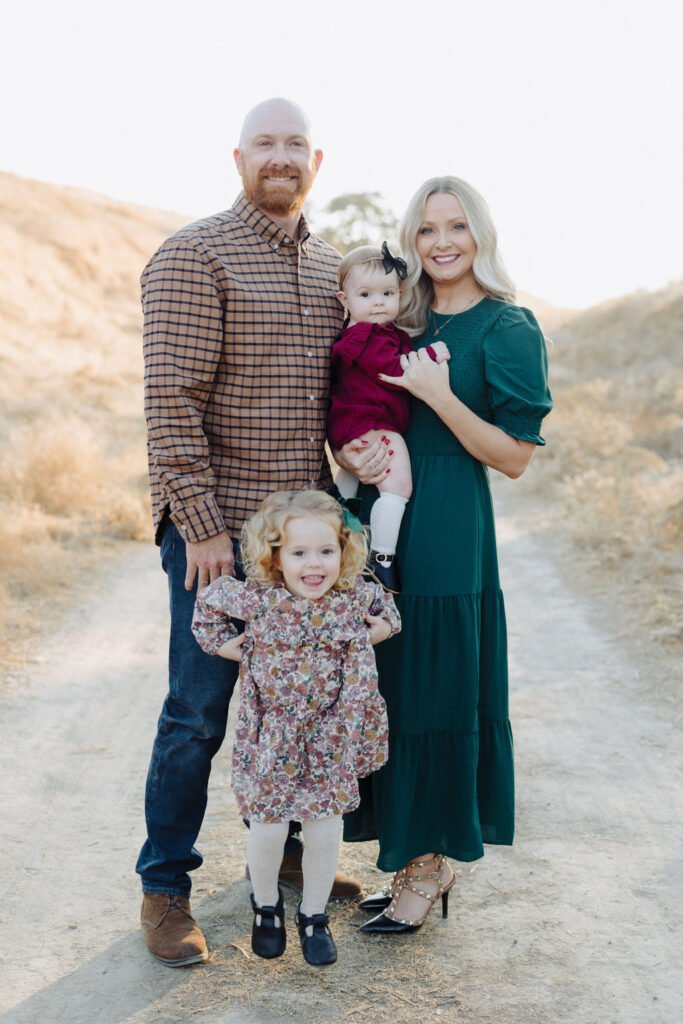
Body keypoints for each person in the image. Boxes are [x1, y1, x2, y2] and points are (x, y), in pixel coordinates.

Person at [137, 98, 379, 967]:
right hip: (219, 536)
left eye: (294, 145)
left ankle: (278, 858)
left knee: (297, 710)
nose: (280, 157)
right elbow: (170, 403)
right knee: (198, 714)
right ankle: (165, 888)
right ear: (237, 156)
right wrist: (201, 527)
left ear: (317, 160)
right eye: (264, 144)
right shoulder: (195, 255)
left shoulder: (329, 270)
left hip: (304, 549)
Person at [336, 176, 553, 933]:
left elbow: (516, 457)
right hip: (378, 526)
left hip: (450, 534)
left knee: (435, 693)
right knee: (387, 690)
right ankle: (401, 854)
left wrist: (438, 394)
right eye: (426, 229)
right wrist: (353, 458)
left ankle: (429, 869)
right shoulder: (398, 314)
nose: (441, 242)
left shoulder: (506, 328)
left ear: (479, 234)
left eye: (456, 225)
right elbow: (352, 401)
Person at [191, 489, 400, 965]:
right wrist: (228, 646)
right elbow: (206, 607)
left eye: (327, 551)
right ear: (275, 556)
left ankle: (313, 915)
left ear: (343, 553)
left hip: (333, 736)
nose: (315, 565)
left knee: (325, 827)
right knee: (268, 826)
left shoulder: (352, 598)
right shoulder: (257, 599)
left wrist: (378, 632)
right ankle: (265, 907)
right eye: (299, 552)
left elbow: (389, 611)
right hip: (273, 737)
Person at [328, 243, 450, 593]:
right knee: (397, 486)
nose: (378, 301)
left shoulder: (378, 333)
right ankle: (382, 558)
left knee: (351, 476)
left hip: (352, 423)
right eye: (366, 294)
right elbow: (392, 370)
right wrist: (429, 355)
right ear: (344, 300)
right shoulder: (365, 336)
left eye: (387, 293)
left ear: (400, 294)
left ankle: (337, 526)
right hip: (371, 422)